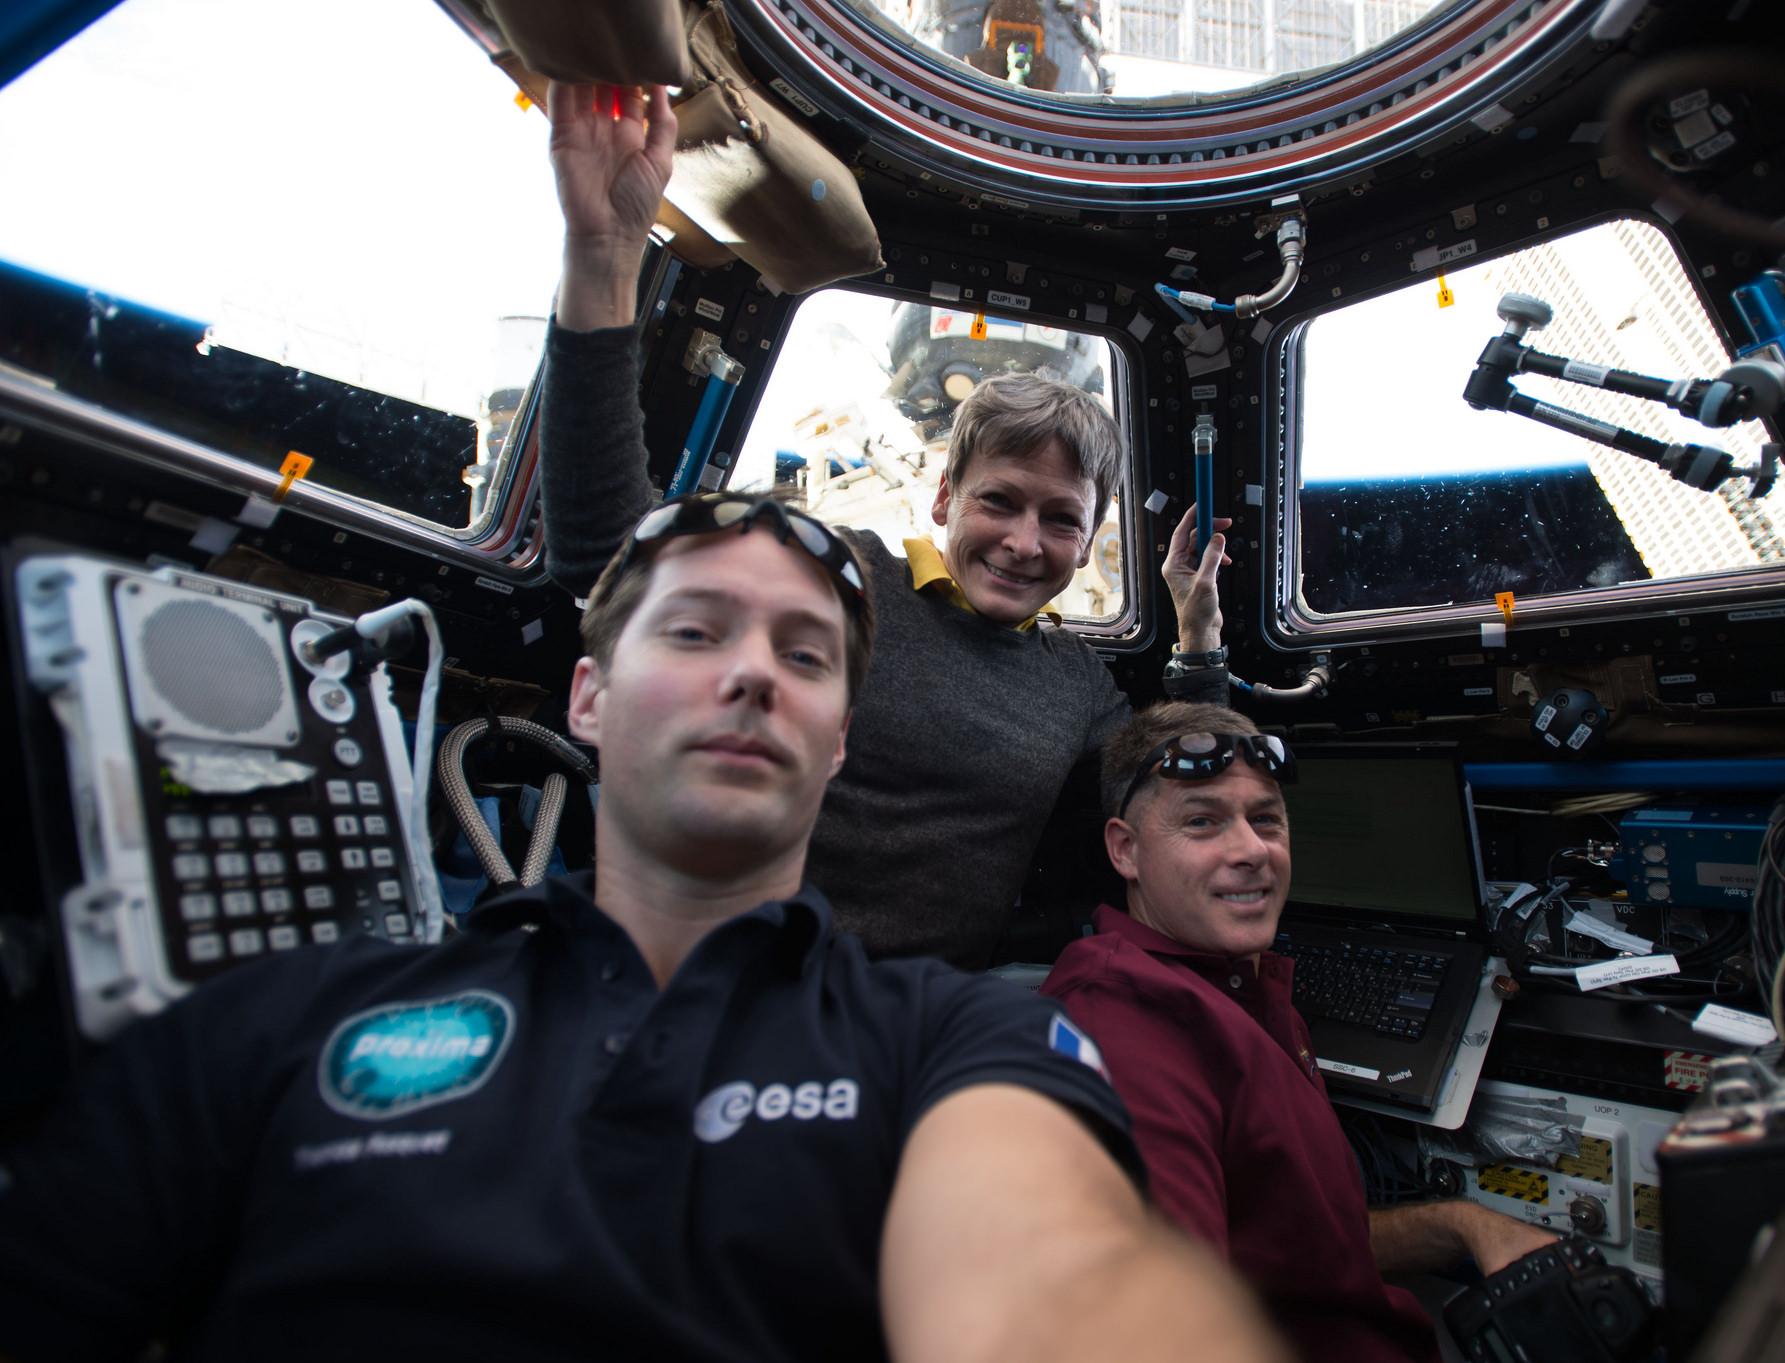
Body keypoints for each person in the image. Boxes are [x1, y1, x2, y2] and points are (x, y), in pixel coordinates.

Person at [0, 497, 1286, 1363]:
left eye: (802, 653)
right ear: (589, 696)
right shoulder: (292, 1020)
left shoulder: (961, 1042)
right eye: (694, 631)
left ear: (838, 739)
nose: (748, 672)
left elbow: (1058, 1275)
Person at [540, 81, 1231, 968]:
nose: (1024, 541)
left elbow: (1179, 788)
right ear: (945, 499)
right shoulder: (840, 580)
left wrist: (1199, 637)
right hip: (712, 969)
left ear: (1092, 539)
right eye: (998, 501)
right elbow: (609, 556)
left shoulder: (1078, 685)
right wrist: (601, 254)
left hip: (911, 1021)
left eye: (1061, 519)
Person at [1042, 700, 1560, 1363]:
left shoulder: (1242, 983)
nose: (1252, 850)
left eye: (1266, 819)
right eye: (1202, 821)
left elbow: (1310, 1244)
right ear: (1125, 849)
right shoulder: (1122, 1026)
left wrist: (1464, 1222)